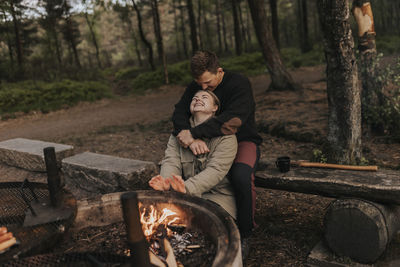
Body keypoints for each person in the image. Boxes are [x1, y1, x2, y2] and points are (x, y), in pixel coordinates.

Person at [171, 50, 262, 256]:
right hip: (208, 140)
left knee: (240, 176)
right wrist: (187, 135)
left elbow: (233, 121)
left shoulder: (239, 83)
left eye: (208, 83)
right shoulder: (197, 84)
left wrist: (194, 133)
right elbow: (179, 112)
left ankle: (246, 232)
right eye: (199, 83)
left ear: (219, 71)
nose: (202, 88)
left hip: (242, 140)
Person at [149, 89, 238, 220]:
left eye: (204, 97)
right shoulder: (178, 135)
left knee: (203, 221)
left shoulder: (226, 137)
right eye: (194, 98)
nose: (197, 99)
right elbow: (171, 161)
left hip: (217, 196)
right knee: (161, 218)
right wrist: (167, 184)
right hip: (184, 195)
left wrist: (185, 188)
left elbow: (216, 171)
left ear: (215, 107)